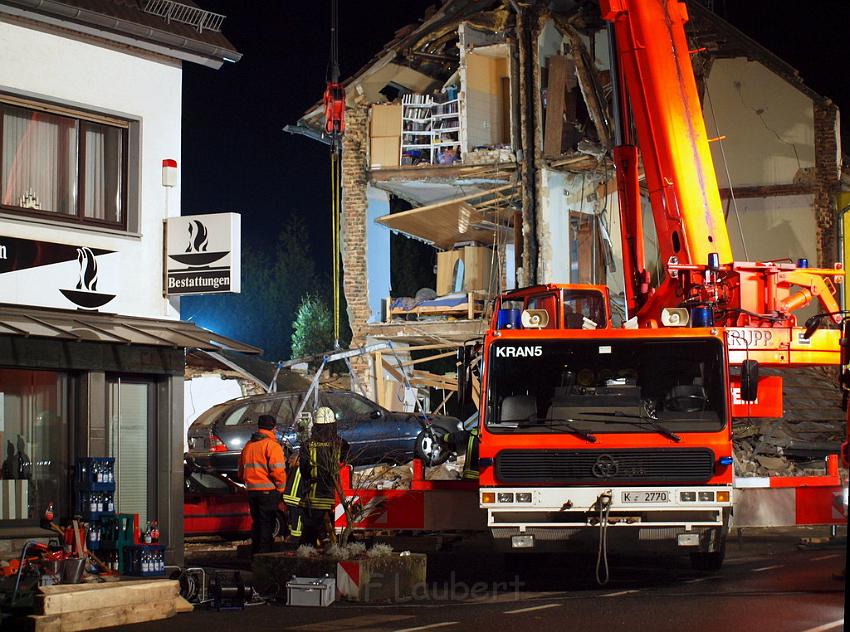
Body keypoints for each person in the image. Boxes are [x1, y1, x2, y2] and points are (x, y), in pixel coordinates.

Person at [298, 406, 350, 546]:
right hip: (336, 494)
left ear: (315, 426)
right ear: (333, 425)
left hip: (315, 495)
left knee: (309, 533)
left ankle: (305, 559)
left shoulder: (307, 445)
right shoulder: (341, 444)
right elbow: (345, 465)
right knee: (341, 531)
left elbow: (304, 470)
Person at [238, 414, 287, 555]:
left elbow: (241, 470)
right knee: (267, 524)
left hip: (252, 491)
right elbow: (278, 471)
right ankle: (264, 556)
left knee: (257, 524)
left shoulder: (248, 445)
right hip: (268, 491)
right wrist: (281, 488)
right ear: (273, 428)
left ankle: (255, 554)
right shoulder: (272, 446)